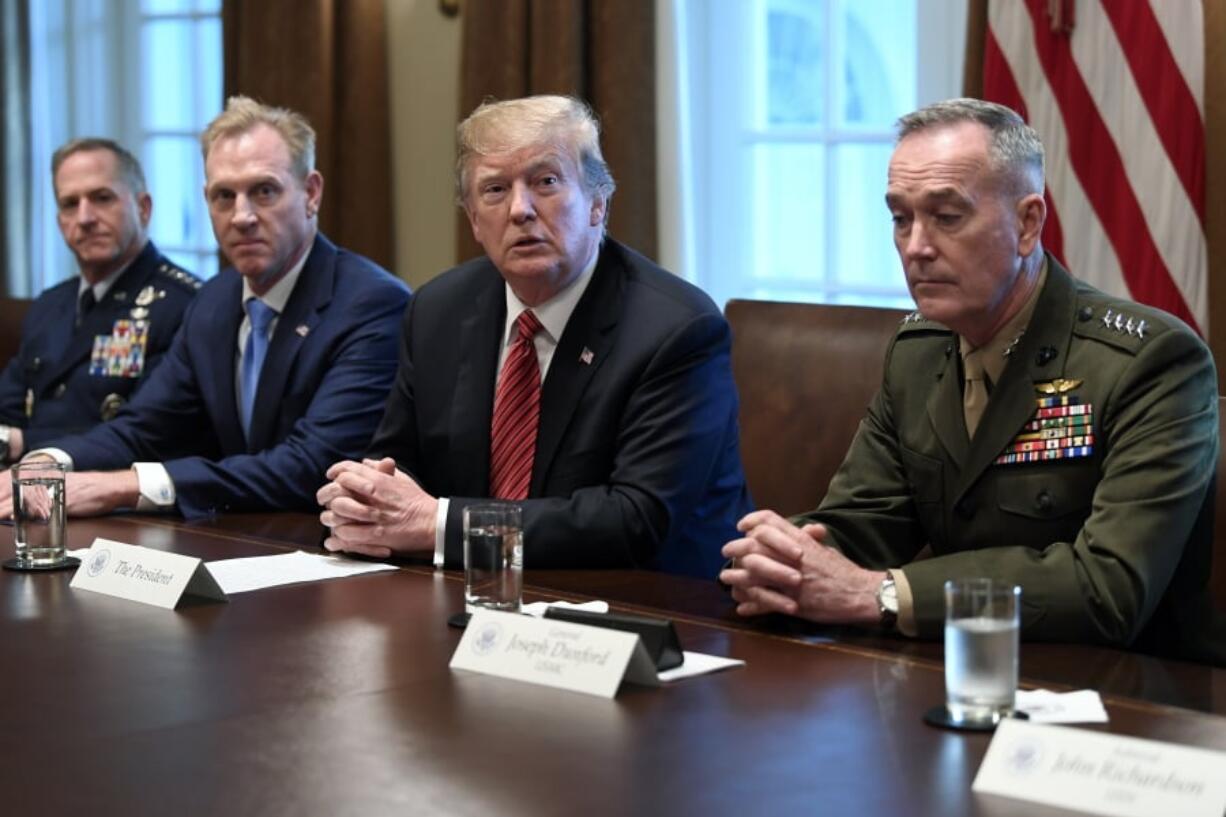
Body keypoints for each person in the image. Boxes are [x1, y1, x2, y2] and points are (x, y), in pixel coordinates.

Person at [719, 98, 1219, 662]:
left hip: (1128, 693)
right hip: (954, 667)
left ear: (1028, 223)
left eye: (947, 217)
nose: (916, 248)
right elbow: (865, 523)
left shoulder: (1149, 362)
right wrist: (786, 556)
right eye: (901, 218)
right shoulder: (918, 352)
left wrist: (881, 594)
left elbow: (1109, 588)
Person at [318, 94, 750, 578]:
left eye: (545, 182)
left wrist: (435, 524)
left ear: (597, 203)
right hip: (476, 593)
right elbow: (401, 465)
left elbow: (635, 521)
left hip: (648, 612)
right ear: (474, 222)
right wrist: (367, 502)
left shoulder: (676, 329)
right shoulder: (437, 310)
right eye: (495, 190)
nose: (520, 210)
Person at [0, 96, 410, 519]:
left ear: (310, 193)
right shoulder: (214, 302)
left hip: (331, 548)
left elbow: (312, 465)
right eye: (223, 196)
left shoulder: (371, 304)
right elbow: (143, 427)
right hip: (234, 539)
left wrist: (126, 486)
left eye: (263, 191)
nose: (242, 216)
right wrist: (49, 461)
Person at [0, 138, 200, 464]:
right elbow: (8, 406)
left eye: (102, 198)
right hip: (26, 487)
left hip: (115, 495)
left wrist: (22, 441)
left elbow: (151, 429)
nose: (85, 217)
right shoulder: (49, 306)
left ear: (143, 208)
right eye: (69, 204)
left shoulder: (185, 305)